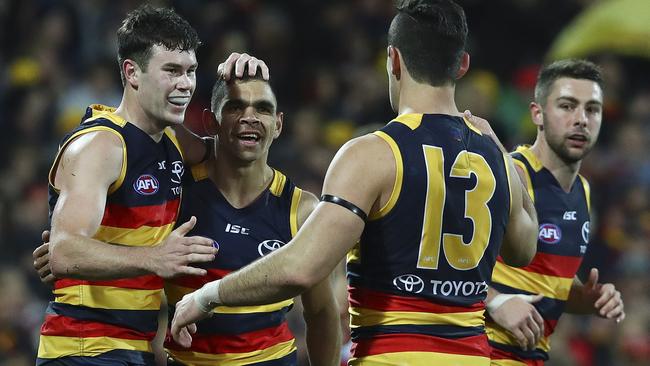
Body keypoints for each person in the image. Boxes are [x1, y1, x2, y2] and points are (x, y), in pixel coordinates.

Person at [171, 1, 538, 365]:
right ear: (462, 65)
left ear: (393, 60)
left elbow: (301, 268)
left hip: (390, 356)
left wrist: (207, 296)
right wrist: (503, 155)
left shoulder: (373, 153)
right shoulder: (494, 157)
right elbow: (525, 249)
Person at [34, 5, 224, 365]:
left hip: (131, 346)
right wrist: (155, 258)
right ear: (132, 72)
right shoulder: (100, 145)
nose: (185, 83)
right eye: (171, 71)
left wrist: (240, 78)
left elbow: (234, 156)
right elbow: (63, 251)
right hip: (82, 347)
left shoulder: (172, 140)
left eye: (191, 71)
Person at [162, 56, 341, 365]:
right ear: (211, 122)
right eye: (234, 107)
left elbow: (322, 313)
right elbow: (142, 121)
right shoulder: (176, 192)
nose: (250, 117)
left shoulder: (301, 209)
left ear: (278, 124)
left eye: (263, 108)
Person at [485, 59, 625, 365]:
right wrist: (496, 302)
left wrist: (586, 299)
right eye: (567, 106)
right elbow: (436, 261)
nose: (581, 120)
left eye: (592, 109)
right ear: (538, 113)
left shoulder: (584, 193)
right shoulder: (507, 175)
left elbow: (547, 281)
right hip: (481, 353)